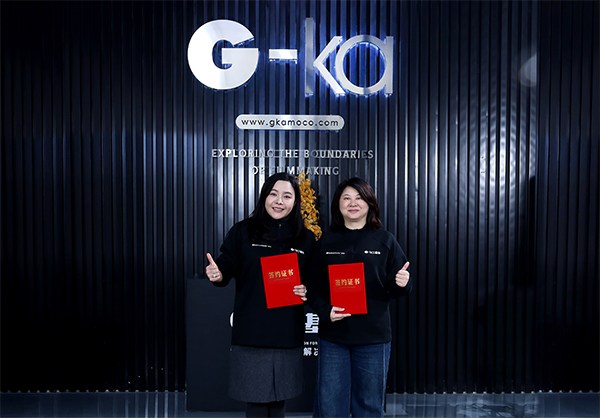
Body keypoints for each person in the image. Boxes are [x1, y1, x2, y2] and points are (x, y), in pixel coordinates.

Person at [205, 172, 316, 418]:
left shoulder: (306, 238)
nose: (279, 201)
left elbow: (314, 280)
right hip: (252, 333)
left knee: (278, 405)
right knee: (255, 405)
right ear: (264, 196)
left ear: (295, 201)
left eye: (287, 196)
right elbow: (226, 265)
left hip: (287, 333)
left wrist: (306, 289)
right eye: (273, 194)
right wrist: (218, 274)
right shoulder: (243, 231)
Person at [308, 177, 412, 418]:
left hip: (373, 338)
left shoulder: (385, 240)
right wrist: (325, 311)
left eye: (359, 198)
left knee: (369, 405)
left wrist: (403, 283)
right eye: (346, 198)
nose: (352, 203)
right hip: (333, 337)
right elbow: (313, 286)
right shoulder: (326, 241)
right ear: (338, 205)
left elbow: (397, 288)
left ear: (370, 203)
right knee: (330, 404)